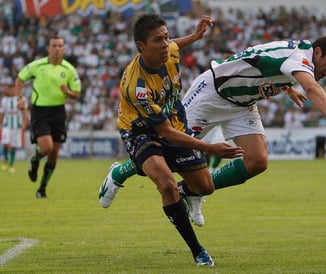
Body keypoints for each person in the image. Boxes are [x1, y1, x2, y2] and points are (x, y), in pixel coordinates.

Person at [100, 36, 326, 227]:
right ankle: (119, 172)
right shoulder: (299, 59)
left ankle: (191, 191)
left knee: (257, 161)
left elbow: (262, 58)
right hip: (212, 94)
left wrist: (287, 86)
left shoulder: (298, 53)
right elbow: (311, 88)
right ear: (317, 52)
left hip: (241, 104)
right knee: (166, 148)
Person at [98, 14, 243, 266]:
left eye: (166, 37)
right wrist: (209, 148)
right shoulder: (137, 86)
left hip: (174, 121)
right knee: (166, 184)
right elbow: (164, 133)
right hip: (140, 130)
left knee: (205, 187)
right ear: (141, 47)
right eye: (158, 40)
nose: (166, 44)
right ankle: (197, 250)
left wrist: (196, 36)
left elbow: (176, 44)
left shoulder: (169, 51)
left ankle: (128, 168)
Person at [15, 36, 82, 198]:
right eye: (54, 45)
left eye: (60, 45)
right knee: (46, 148)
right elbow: (20, 78)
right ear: (48, 48)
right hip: (40, 112)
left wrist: (68, 92)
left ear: (64, 49)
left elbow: (77, 94)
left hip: (58, 112)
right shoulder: (37, 65)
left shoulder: (69, 69)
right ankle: (35, 160)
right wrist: (20, 98)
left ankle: (42, 188)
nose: (57, 48)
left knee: (54, 155)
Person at [0, 84, 29, 173]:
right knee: (5, 143)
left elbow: (25, 112)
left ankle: (11, 165)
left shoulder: (21, 99)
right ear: (8, 90)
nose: (12, 91)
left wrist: (24, 123)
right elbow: (2, 113)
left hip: (17, 126)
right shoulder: (4, 100)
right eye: (10, 89)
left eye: (13, 89)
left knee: (13, 146)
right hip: (6, 125)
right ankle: (5, 162)